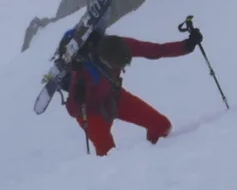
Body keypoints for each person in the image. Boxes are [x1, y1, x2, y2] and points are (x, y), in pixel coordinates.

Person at [64, 26, 203, 156]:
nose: (122, 69)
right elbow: (72, 109)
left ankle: (154, 158)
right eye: (119, 66)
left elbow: (155, 50)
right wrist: (78, 94)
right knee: (108, 158)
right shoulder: (84, 72)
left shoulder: (123, 46)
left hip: (115, 97)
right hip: (92, 113)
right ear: (105, 61)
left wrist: (187, 45)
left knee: (162, 126)